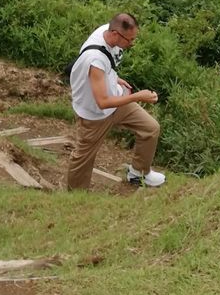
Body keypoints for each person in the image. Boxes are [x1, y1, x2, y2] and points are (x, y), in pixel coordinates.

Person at [65, 12, 164, 190]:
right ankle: (75, 196)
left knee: (150, 128)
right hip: (94, 112)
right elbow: (102, 102)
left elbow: (104, 69)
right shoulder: (95, 58)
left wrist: (115, 80)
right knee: (83, 158)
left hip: (116, 100)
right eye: (130, 40)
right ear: (116, 34)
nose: (132, 43)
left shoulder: (108, 33)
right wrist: (138, 96)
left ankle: (138, 173)